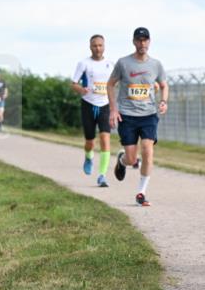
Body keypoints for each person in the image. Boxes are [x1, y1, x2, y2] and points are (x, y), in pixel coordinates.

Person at [108, 27, 168, 206]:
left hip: (148, 115)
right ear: (134, 42)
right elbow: (110, 84)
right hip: (127, 115)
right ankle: (122, 160)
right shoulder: (123, 63)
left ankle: (141, 193)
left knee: (148, 151)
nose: (142, 43)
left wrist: (163, 101)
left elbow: (164, 85)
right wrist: (113, 109)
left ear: (149, 41)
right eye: (139, 40)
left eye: (145, 40)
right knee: (132, 159)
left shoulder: (156, 64)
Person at [72, 35, 114, 187]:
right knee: (90, 141)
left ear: (104, 46)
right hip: (88, 105)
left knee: (105, 138)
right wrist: (81, 90)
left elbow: (115, 84)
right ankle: (88, 156)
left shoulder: (111, 64)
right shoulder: (84, 63)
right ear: (90, 47)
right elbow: (73, 84)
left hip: (104, 105)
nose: (98, 48)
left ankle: (102, 175)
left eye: (100, 45)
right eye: (95, 45)